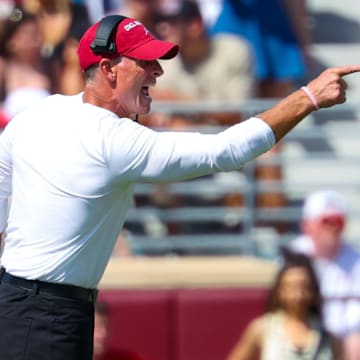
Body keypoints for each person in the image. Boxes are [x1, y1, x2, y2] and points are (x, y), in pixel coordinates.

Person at [0, 11, 358, 359]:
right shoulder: (113, 138)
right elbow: (227, 150)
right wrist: (308, 98)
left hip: (21, 302)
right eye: (144, 61)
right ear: (108, 69)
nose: (157, 71)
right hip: (48, 317)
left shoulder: (39, 113)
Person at [226, 250, 342, 359]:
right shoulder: (263, 329)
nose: (298, 295)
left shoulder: (328, 337)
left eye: (304, 287)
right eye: (291, 287)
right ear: (279, 291)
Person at [289, 190, 360, 360]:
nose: (333, 228)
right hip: (305, 331)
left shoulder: (356, 261)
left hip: (345, 339)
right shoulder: (294, 257)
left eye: (338, 222)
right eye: (326, 222)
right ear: (307, 225)